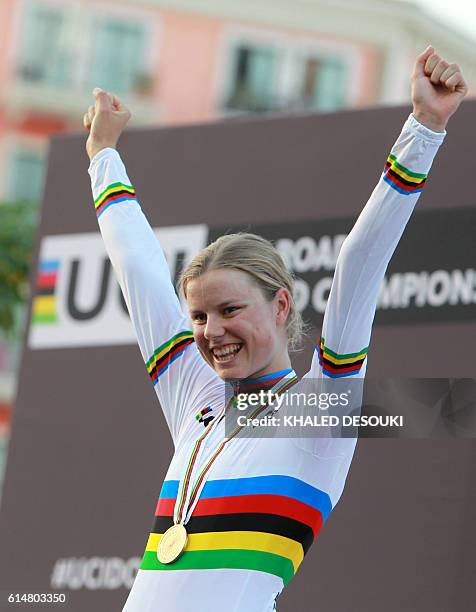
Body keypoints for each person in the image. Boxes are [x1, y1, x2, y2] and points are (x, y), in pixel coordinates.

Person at [84, 46, 467, 611]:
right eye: (199, 316)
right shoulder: (197, 400)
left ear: (281, 305)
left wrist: (425, 127)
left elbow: (359, 260)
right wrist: (102, 156)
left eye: (231, 310)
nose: (212, 331)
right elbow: (137, 268)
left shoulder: (323, 408)